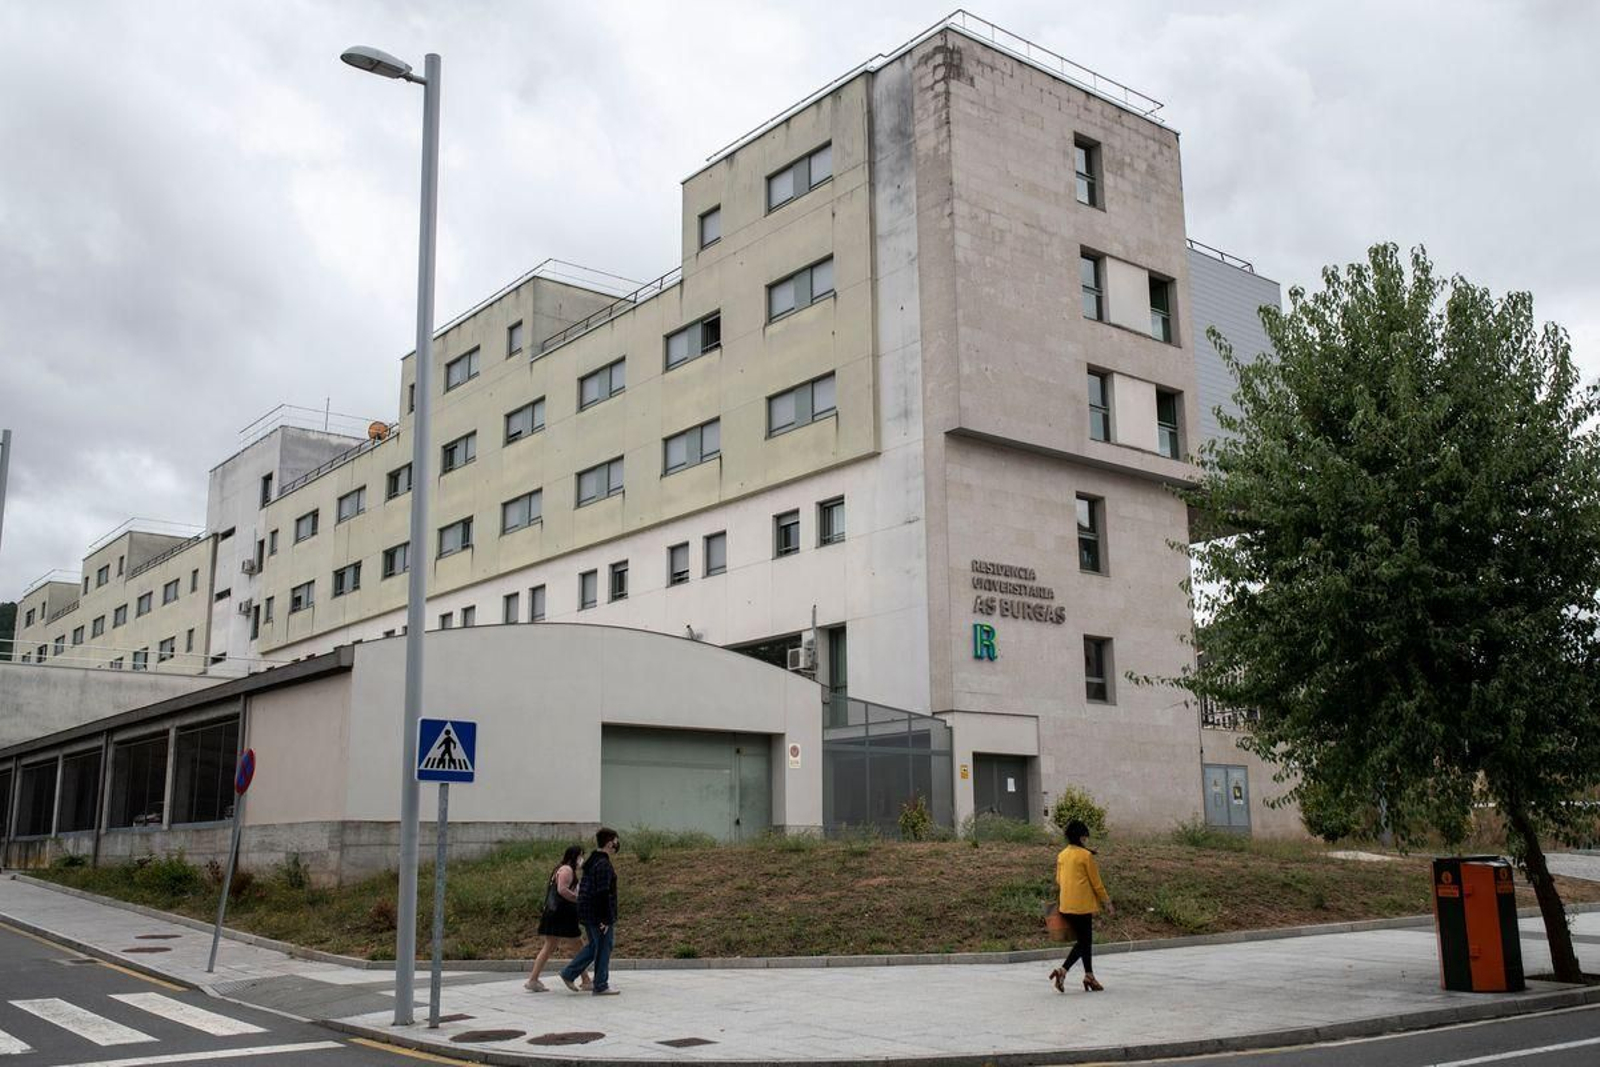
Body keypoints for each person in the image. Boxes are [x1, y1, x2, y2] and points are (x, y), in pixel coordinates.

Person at [1050, 818, 1113, 993]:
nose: (1086, 839)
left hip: (1066, 904)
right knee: (1085, 941)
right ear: (1080, 837)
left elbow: (1058, 880)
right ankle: (1063, 971)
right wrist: (1107, 902)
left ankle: (1089, 975)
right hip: (1082, 905)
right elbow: (1096, 883)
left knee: (1084, 941)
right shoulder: (1086, 856)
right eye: (1085, 837)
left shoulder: (1062, 855)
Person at [560, 827, 621, 996]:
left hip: (587, 911)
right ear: (609, 843)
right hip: (597, 914)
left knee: (596, 945)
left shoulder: (593, 861)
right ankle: (600, 984)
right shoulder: (603, 865)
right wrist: (605, 919)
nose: (617, 844)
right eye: (615, 841)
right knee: (604, 946)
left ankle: (569, 973)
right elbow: (602, 893)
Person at [525, 846, 591, 992]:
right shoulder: (567, 870)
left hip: (554, 914)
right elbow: (562, 890)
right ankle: (585, 980)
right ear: (574, 856)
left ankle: (533, 980)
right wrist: (578, 898)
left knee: (551, 946)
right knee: (578, 946)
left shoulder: (560, 868)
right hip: (563, 915)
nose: (582, 859)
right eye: (580, 856)